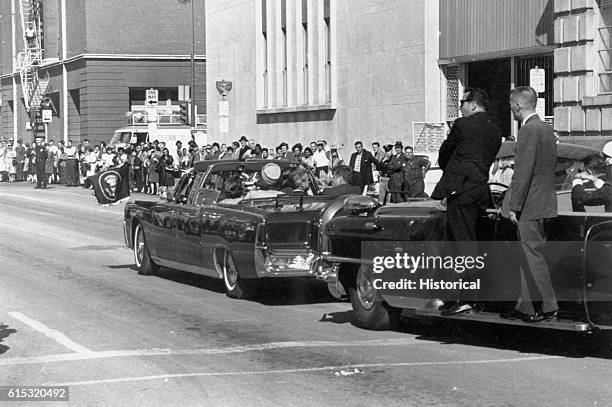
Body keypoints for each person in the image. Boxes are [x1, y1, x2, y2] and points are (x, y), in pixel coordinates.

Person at [432, 87, 501, 316]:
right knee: (471, 240)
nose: (460, 107)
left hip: (460, 190)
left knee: (460, 244)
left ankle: (466, 297)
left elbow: (444, 154)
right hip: (480, 189)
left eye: (462, 102)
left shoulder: (462, 125)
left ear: (472, 104)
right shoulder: (494, 130)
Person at [501, 86, 558, 323]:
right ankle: (525, 305)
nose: (511, 110)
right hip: (544, 202)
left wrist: (514, 205)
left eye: (512, 106)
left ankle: (549, 306)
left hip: (530, 205)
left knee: (532, 256)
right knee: (529, 255)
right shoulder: (546, 129)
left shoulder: (528, 131)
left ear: (517, 105)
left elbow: (522, 172)